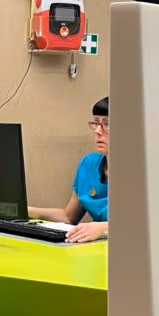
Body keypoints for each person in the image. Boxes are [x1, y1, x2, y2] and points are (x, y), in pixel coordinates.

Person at [29, 97, 109, 243]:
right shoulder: (88, 163)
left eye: (107, 124)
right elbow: (68, 217)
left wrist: (102, 228)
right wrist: (25, 211)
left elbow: (145, 223)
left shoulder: (145, 171)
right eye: (96, 123)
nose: (98, 131)